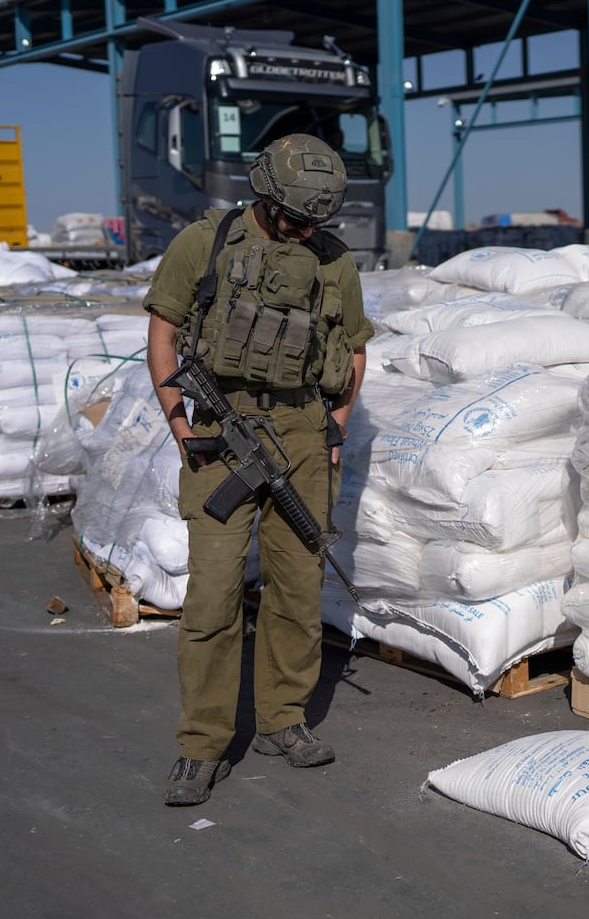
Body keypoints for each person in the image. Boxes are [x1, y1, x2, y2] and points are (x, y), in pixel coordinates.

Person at [143, 133, 374, 807]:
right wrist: (180, 424)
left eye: (314, 222)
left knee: (298, 588)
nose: (304, 231)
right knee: (213, 595)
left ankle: (281, 720)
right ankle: (202, 744)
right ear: (264, 195)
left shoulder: (333, 260)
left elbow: (353, 350)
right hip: (221, 431)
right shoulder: (205, 242)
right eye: (294, 217)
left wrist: (337, 426)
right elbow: (163, 330)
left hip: (302, 429)